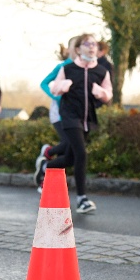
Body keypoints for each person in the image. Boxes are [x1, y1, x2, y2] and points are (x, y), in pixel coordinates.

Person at [35, 34, 113, 214]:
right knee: (81, 153)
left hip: (87, 118)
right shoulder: (68, 68)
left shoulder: (101, 71)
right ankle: (82, 199)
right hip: (69, 117)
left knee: (70, 159)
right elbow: (53, 86)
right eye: (87, 44)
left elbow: (108, 93)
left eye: (94, 44)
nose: (91, 47)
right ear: (78, 49)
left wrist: (100, 92)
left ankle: (46, 167)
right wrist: (62, 86)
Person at [34, 36, 79, 193]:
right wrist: (56, 97)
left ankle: (46, 167)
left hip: (75, 115)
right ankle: (47, 156)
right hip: (59, 114)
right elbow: (44, 83)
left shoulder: (84, 68)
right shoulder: (62, 67)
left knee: (71, 150)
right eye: (76, 46)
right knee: (68, 143)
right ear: (70, 49)